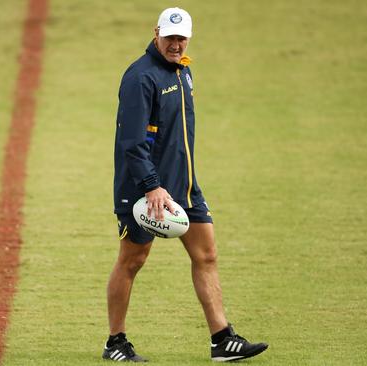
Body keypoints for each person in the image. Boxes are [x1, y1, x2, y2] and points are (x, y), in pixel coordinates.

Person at [103, 7, 268, 363]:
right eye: (170, 37)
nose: (175, 44)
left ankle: (221, 339)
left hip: (185, 186)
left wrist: (180, 182)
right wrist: (151, 185)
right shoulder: (140, 78)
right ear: (156, 33)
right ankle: (115, 342)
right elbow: (131, 142)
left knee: (206, 255)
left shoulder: (183, 72)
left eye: (181, 38)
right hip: (145, 189)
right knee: (132, 260)